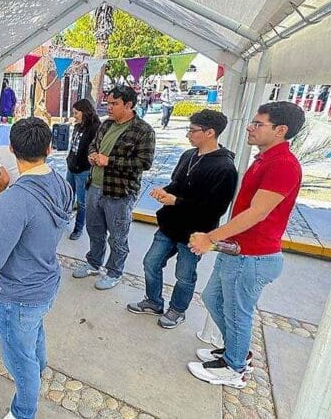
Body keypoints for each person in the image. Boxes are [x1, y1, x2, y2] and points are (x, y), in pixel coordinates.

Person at [187, 101, 305, 388]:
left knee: (238, 311)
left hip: (253, 256)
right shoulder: (264, 159)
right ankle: (235, 351)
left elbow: (258, 212)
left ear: (280, 130)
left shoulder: (283, 165)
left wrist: (210, 238)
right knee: (214, 299)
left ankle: (234, 367)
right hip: (236, 250)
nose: (250, 127)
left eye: (258, 123)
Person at [0, 118, 73, 419]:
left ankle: (23, 412)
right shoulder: (61, 183)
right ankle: (39, 368)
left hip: (19, 291)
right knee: (34, 332)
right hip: (47, 280)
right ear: (48, 147)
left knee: (20, 360)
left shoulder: (13, 199)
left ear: (11, 148)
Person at [127, 110, 238, 328]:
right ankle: (153, 301)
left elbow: (215, 209)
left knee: (185, 274)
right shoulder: (188, 155)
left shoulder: (225, 168)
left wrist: (175, 201)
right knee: (151, 262)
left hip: (196, 232)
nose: (188, 134)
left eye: (192, 130)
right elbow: (176, 185)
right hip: (170, 225)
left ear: (210, 133)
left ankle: (177, 309)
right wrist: (164, 192)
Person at [73, 85, 155, 289]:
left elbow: (143, 163)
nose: (109, 107)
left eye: (114, 103)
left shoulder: (143, 130)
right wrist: (92, 155)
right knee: (94, 229)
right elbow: (94, 144)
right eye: (108, 103)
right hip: (95, 186)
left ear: (129, 105)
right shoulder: (106, 124)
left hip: (119, 193)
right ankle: (94, 261)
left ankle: (115, 271)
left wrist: (109, 161)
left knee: (118, 236)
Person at [65, 98, 100, 240]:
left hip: (83, 170)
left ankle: (78, 228)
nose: (74, 116)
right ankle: (64, 219)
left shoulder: (95, 128)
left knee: (81, 202)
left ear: (85, 112)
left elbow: (94, 149)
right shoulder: (78, 126)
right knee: (68, 196)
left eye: (76, 113)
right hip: (71, 167)